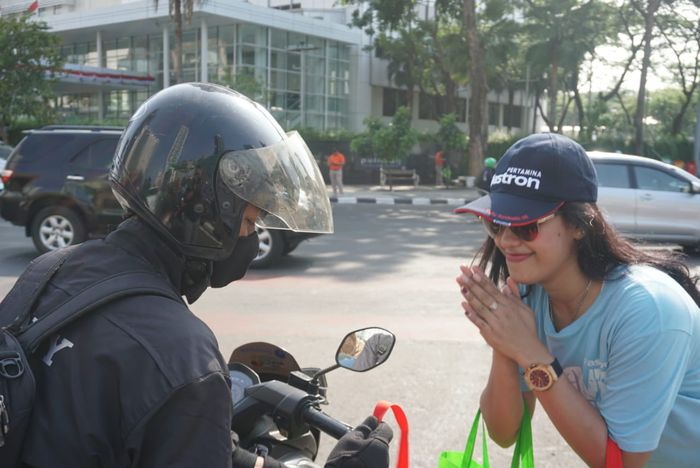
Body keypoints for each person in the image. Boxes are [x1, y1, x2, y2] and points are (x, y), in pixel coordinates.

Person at [15, 83, 392, 468]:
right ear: (204, 213)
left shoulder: (48, 270)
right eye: (249, 221)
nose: (251, 237)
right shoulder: (182, 356)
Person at [454, 133, 700, 467]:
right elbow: (504, 432)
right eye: (496, 224)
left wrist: (531, 354)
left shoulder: (646, 310)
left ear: (579, 226)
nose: (507, 240)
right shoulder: (532, 296)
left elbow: (620, 462)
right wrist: (504, 340)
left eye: (526, 226)